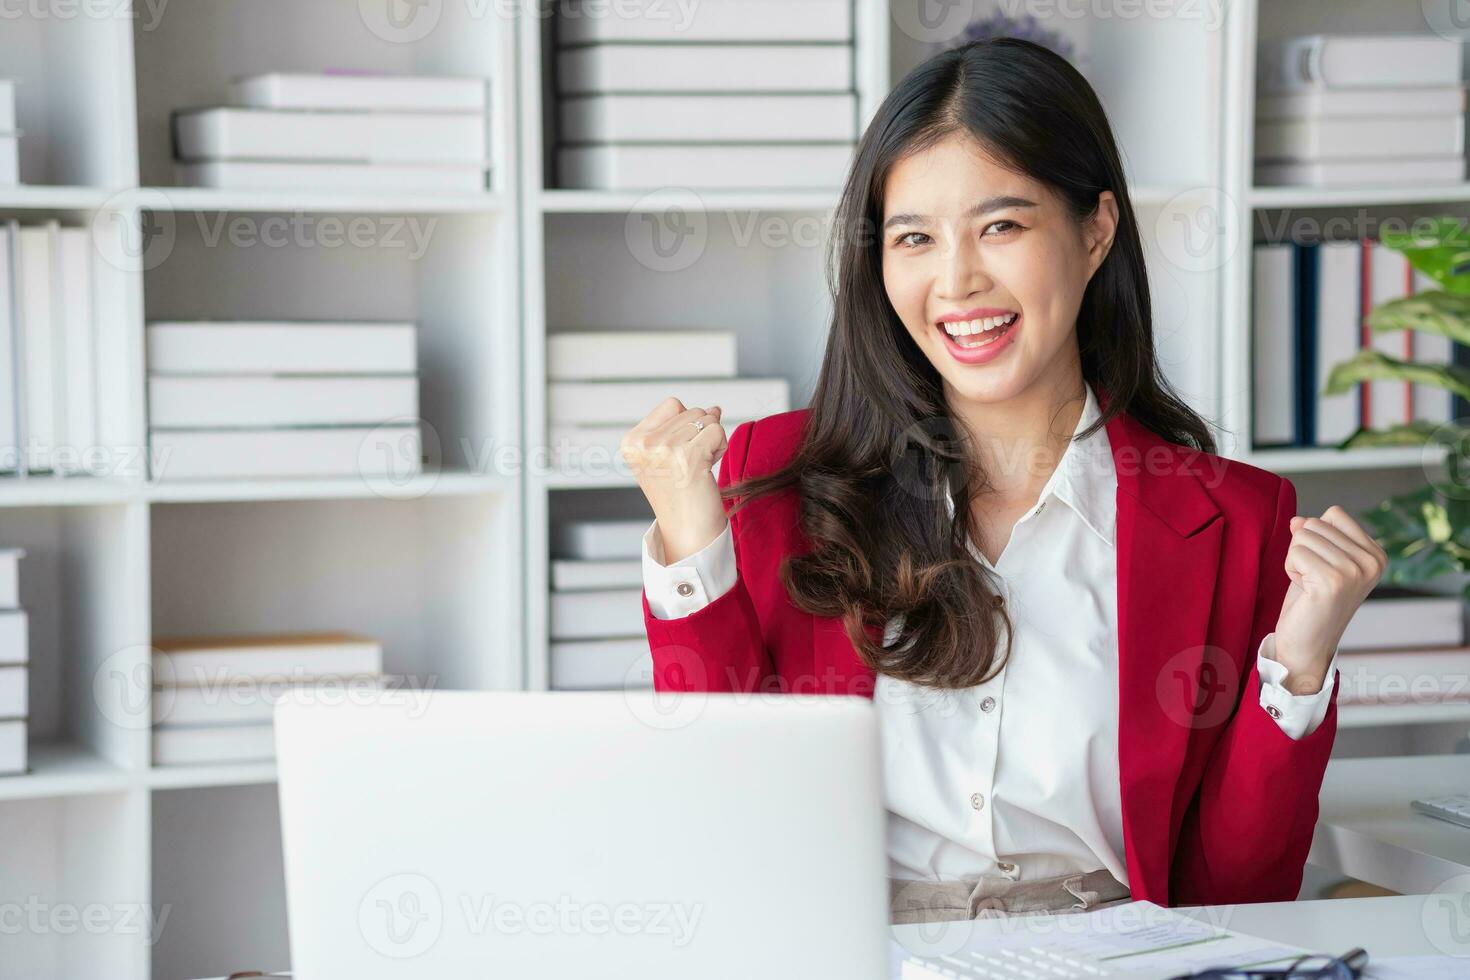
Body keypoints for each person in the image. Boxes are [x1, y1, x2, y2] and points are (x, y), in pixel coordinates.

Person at [619, 38, 1385, 924]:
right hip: (861, 952)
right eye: (914, 238)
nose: (957, 282)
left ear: (1096, 232)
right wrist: (688, 539)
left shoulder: (1237, 520)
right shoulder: (782, 477)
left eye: (1002, 226)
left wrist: (1298, 664)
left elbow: (1237, 893)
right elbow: (729, 813)